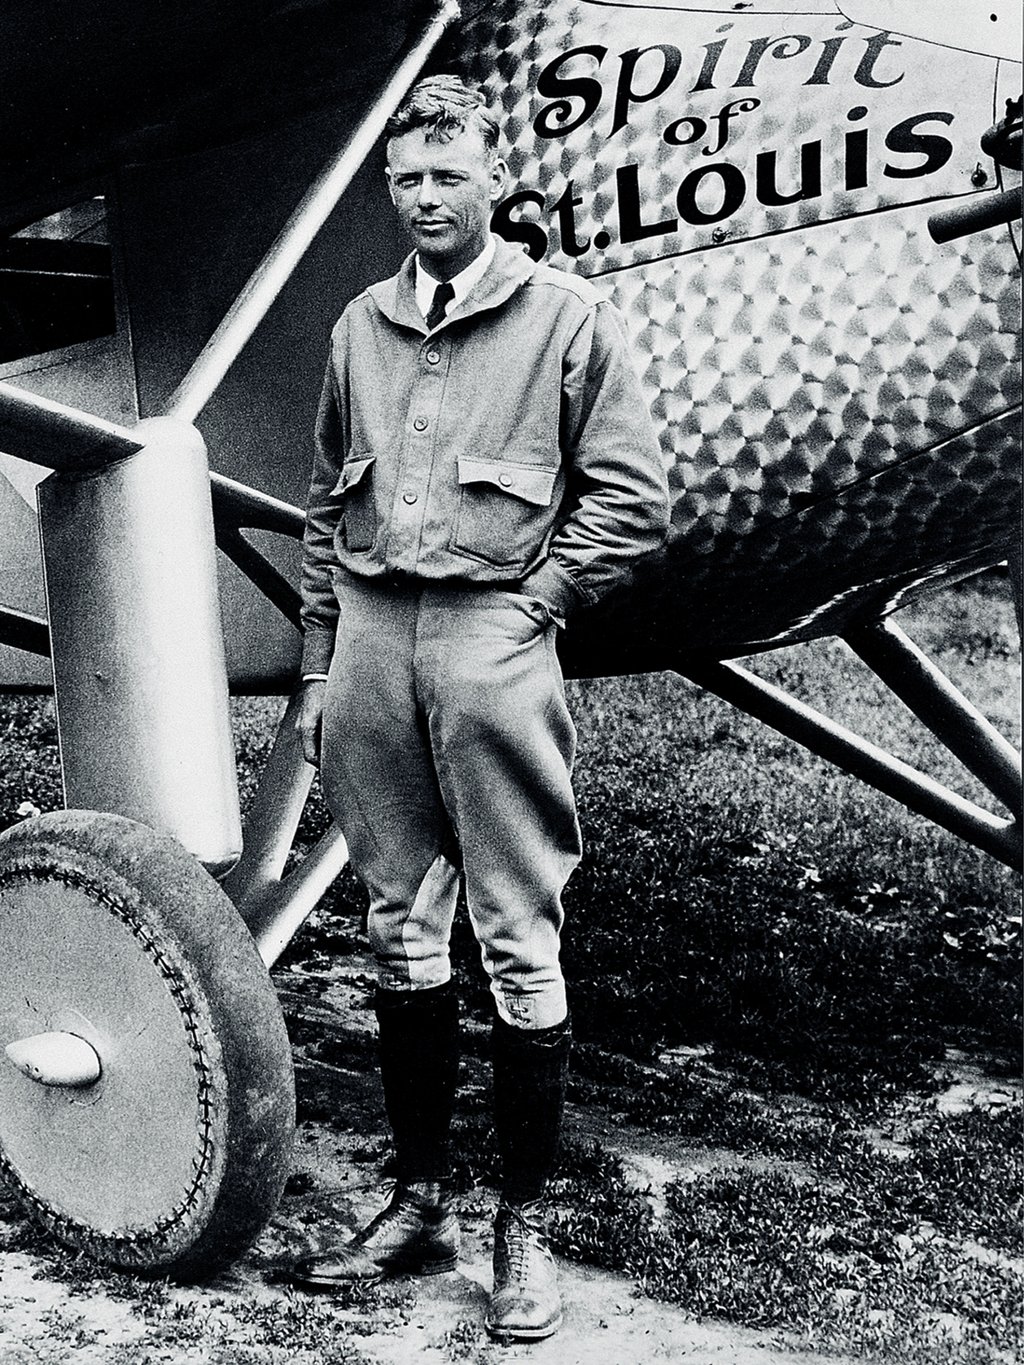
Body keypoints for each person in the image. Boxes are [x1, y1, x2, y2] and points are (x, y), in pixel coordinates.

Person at [289, 73, 670, 1342]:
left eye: (449, 176)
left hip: (491, 638)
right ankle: (418, 1201)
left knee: (515, 933)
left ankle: (524, 1223)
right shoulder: (359, 325)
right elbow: (321, 510)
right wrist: (315, 666)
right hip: (371, 648)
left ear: (491, 182)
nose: (428, 199)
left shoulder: (567, 321)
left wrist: (536, 605)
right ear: (389, 191)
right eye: (407, 180)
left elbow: (630, 499)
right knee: (400, 925)